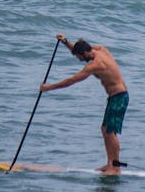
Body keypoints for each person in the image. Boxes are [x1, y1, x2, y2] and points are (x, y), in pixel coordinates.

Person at [40, 34, 129, 174]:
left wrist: (49, 87)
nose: (79, 59)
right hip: (114, 97)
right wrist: (65, 42)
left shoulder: (96, 65)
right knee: (105, 130)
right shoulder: (99, 49)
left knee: (110, 132)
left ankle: (116, 167)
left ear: (85, 53)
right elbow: (78, 49)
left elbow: (72, 80)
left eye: (79, 57)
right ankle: (110, 163)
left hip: (119, 97)